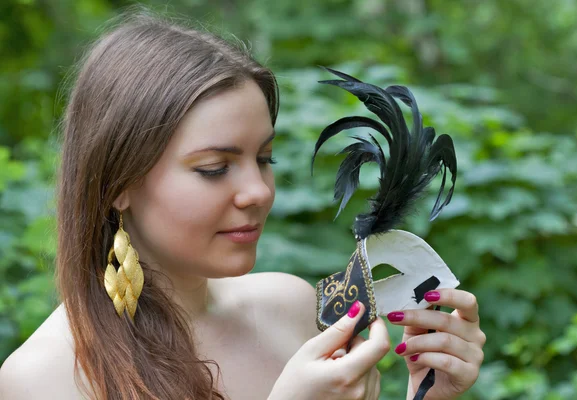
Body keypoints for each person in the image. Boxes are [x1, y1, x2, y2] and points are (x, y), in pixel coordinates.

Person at [0, 12, 485, 400]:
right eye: (214, 167)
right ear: (117, 182)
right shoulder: (42, 379)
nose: (258, 191)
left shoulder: (294, 308)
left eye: (264, 158)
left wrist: (428, 395)